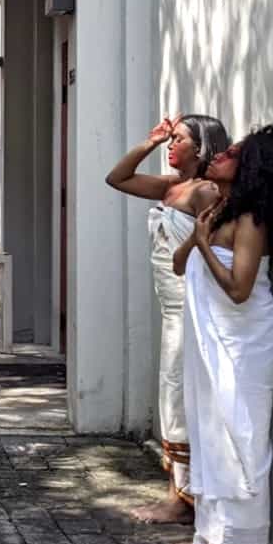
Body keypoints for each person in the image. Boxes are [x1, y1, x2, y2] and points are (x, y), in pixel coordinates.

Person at [172, 125, 273, 544]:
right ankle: (212, 534)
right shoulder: (221, 210)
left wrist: (204, 244)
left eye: (233, 153)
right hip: (211, 339)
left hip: (243, 339)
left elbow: (239, 290)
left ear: (250, 168)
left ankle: (236, 543)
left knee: (239, 430)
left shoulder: (252, 219)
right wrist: (197, 239)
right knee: (209, 429)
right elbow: (178, 264)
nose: (220, 154)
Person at [106, 114, 229, 523]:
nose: (172, 146)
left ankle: (184, 499)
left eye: (179, 140)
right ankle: (179, 491)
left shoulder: (205, 192)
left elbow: (208, 245)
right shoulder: (168, 187)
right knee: (171, 393)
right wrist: (151, 142)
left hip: (191, 305)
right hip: (170, 307)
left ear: (202, 147)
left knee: (179, 395)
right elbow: (117, 178)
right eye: (171, 139)